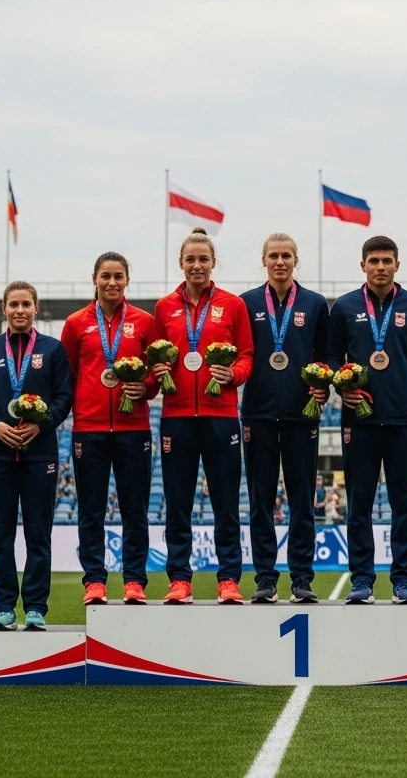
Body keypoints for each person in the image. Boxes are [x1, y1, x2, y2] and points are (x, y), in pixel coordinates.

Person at [326, 235, 407, 604]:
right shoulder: (343, 307)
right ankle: (362, 580)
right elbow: (330, 357)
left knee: (405, 506)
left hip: (404, 417)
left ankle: (403, 581)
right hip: (359, 418)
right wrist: (343, 386)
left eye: (387, 260)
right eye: (374, 261)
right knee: (359, 505)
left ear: (397, 265)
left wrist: (400, 386)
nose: (381, 267)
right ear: (363, 266)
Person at [152, 227, 254, 605]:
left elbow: (247, 355)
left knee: (226, 503)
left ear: (213, 263)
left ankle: (228, 579)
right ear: (181, 263)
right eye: (190, 259)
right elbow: (153, 359)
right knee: (177, 503)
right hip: (176, 415)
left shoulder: (233, 305)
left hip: (221, 415)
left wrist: (234, 374)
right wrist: (156, 374)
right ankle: (180, 578)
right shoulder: (164, 308)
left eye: (203, 259)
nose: (197, 265)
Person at [0, 281, 73, 630]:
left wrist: (41, 426)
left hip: (39, 454)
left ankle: (35, 608)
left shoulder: (53, 350)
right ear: (4, 309)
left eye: (26, 304)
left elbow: (63, 397)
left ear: (35, 307)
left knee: (38, 535)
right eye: (13, 304)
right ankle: (2, 608)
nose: (19, 310)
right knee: (0, 536)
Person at [60, 252, 158, 606]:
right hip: (89, 428)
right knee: (91, 509)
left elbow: (155, 375)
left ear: (127, 280)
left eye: (118, 276)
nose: (112, 282)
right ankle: (95, 581)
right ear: (94, 279)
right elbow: (68, 374)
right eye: (106, 276)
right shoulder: (75, 323)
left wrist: (145, 387)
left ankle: (134, 580)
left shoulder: (145, 322)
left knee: (135, 509)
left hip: (135, 428)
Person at [240, 233, 329, 604]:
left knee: (302, 501)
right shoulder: (245, 303)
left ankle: (302, 579)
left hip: (300, 415)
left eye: (287, 256)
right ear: (263, 260)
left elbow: (325, 356)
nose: (280, 262)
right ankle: (264, 578)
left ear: (296, 260)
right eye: (273, 256)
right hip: (257, 413)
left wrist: (323, 386)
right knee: (261, 502)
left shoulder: (315, 303)